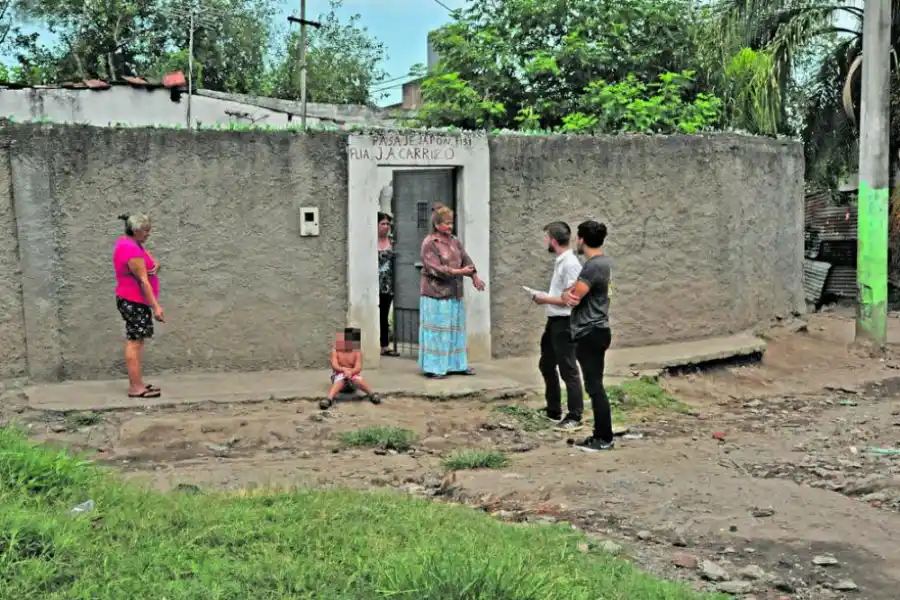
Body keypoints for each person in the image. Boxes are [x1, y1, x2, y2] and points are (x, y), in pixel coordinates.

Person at [563, 220, 614, 451]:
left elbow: (574, 296)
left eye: (578, 237)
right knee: (595, 386)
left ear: (582, 240)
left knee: (594, 387)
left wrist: (567, 294)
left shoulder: (592, 267)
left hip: (589, 331)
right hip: (598, 329)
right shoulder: (603, 263)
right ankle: (601, 434)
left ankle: (603, 438)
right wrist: (569, 293)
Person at [418, 203, 485, 378]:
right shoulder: (429, 243)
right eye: (446, 223)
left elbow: (466, 259)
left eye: (451, 223)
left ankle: (457, 365)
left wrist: (474, 277)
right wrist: (459, 272)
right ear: (436, 224)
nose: (450, 226)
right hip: (435, 294)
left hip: (454, 293)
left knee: (455, 330)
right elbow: (435, 269)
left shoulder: (454, 241)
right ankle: (434, 367)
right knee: (438, 332)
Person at [531, 222, 585, 432]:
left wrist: (544, 299)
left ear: (553, 241)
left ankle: (575, 415)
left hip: (565, 322)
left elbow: (572, 299)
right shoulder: (561, 261)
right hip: (554, 321)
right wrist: (547, 297)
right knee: (546, 364)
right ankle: (553, 410)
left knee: (568, 369)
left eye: (546, 237)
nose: (545, 241)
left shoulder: (570, 263)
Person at [113, 213, 165, 399]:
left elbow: (146, 261)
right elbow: (143, 281)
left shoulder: (128, 243)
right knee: (134, 343)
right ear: (135, 231)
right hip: (134, 301)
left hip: (131, 300)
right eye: (146, 230)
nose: (149, 233)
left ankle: (138, 383)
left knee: (136, 341)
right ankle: (136, 388)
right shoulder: (131, 250)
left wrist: (155, 264)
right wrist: (156, 307)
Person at [321, 328, 380, 410]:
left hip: (353, 377)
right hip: (339, 375)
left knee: (358, 380)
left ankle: (372, 394)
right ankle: (329, 398)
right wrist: (343, 370)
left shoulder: (357, 352)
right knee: (341, 379)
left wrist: (350, 372)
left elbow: (358, 367)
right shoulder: (335, 351)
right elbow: (334, 365)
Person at [377, 212, 399, 356]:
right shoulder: (371, 241)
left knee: (384, 315)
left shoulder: (392, 242)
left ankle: (384, 345)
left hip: (388, 284)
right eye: (382, 224)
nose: (385, 227)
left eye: (387, 224)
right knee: (375, 315)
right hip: (374, 284)